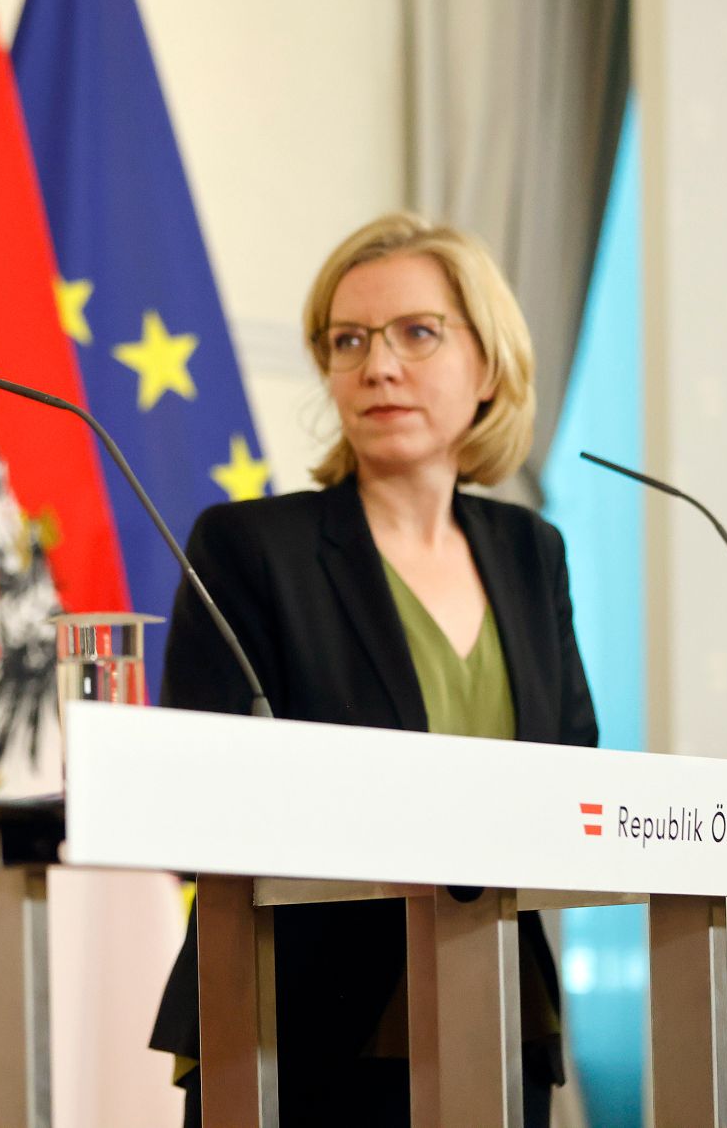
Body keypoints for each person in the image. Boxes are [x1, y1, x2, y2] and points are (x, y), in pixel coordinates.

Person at [148, 211, 599, 1125]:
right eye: (348, 340)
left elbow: (575, 777)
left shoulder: (530, 552)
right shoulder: (248, 547)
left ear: (489, 363)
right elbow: (194, 805)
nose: (377, 365)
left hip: (500, 1021)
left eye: (417, 333)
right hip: (291, 1029)